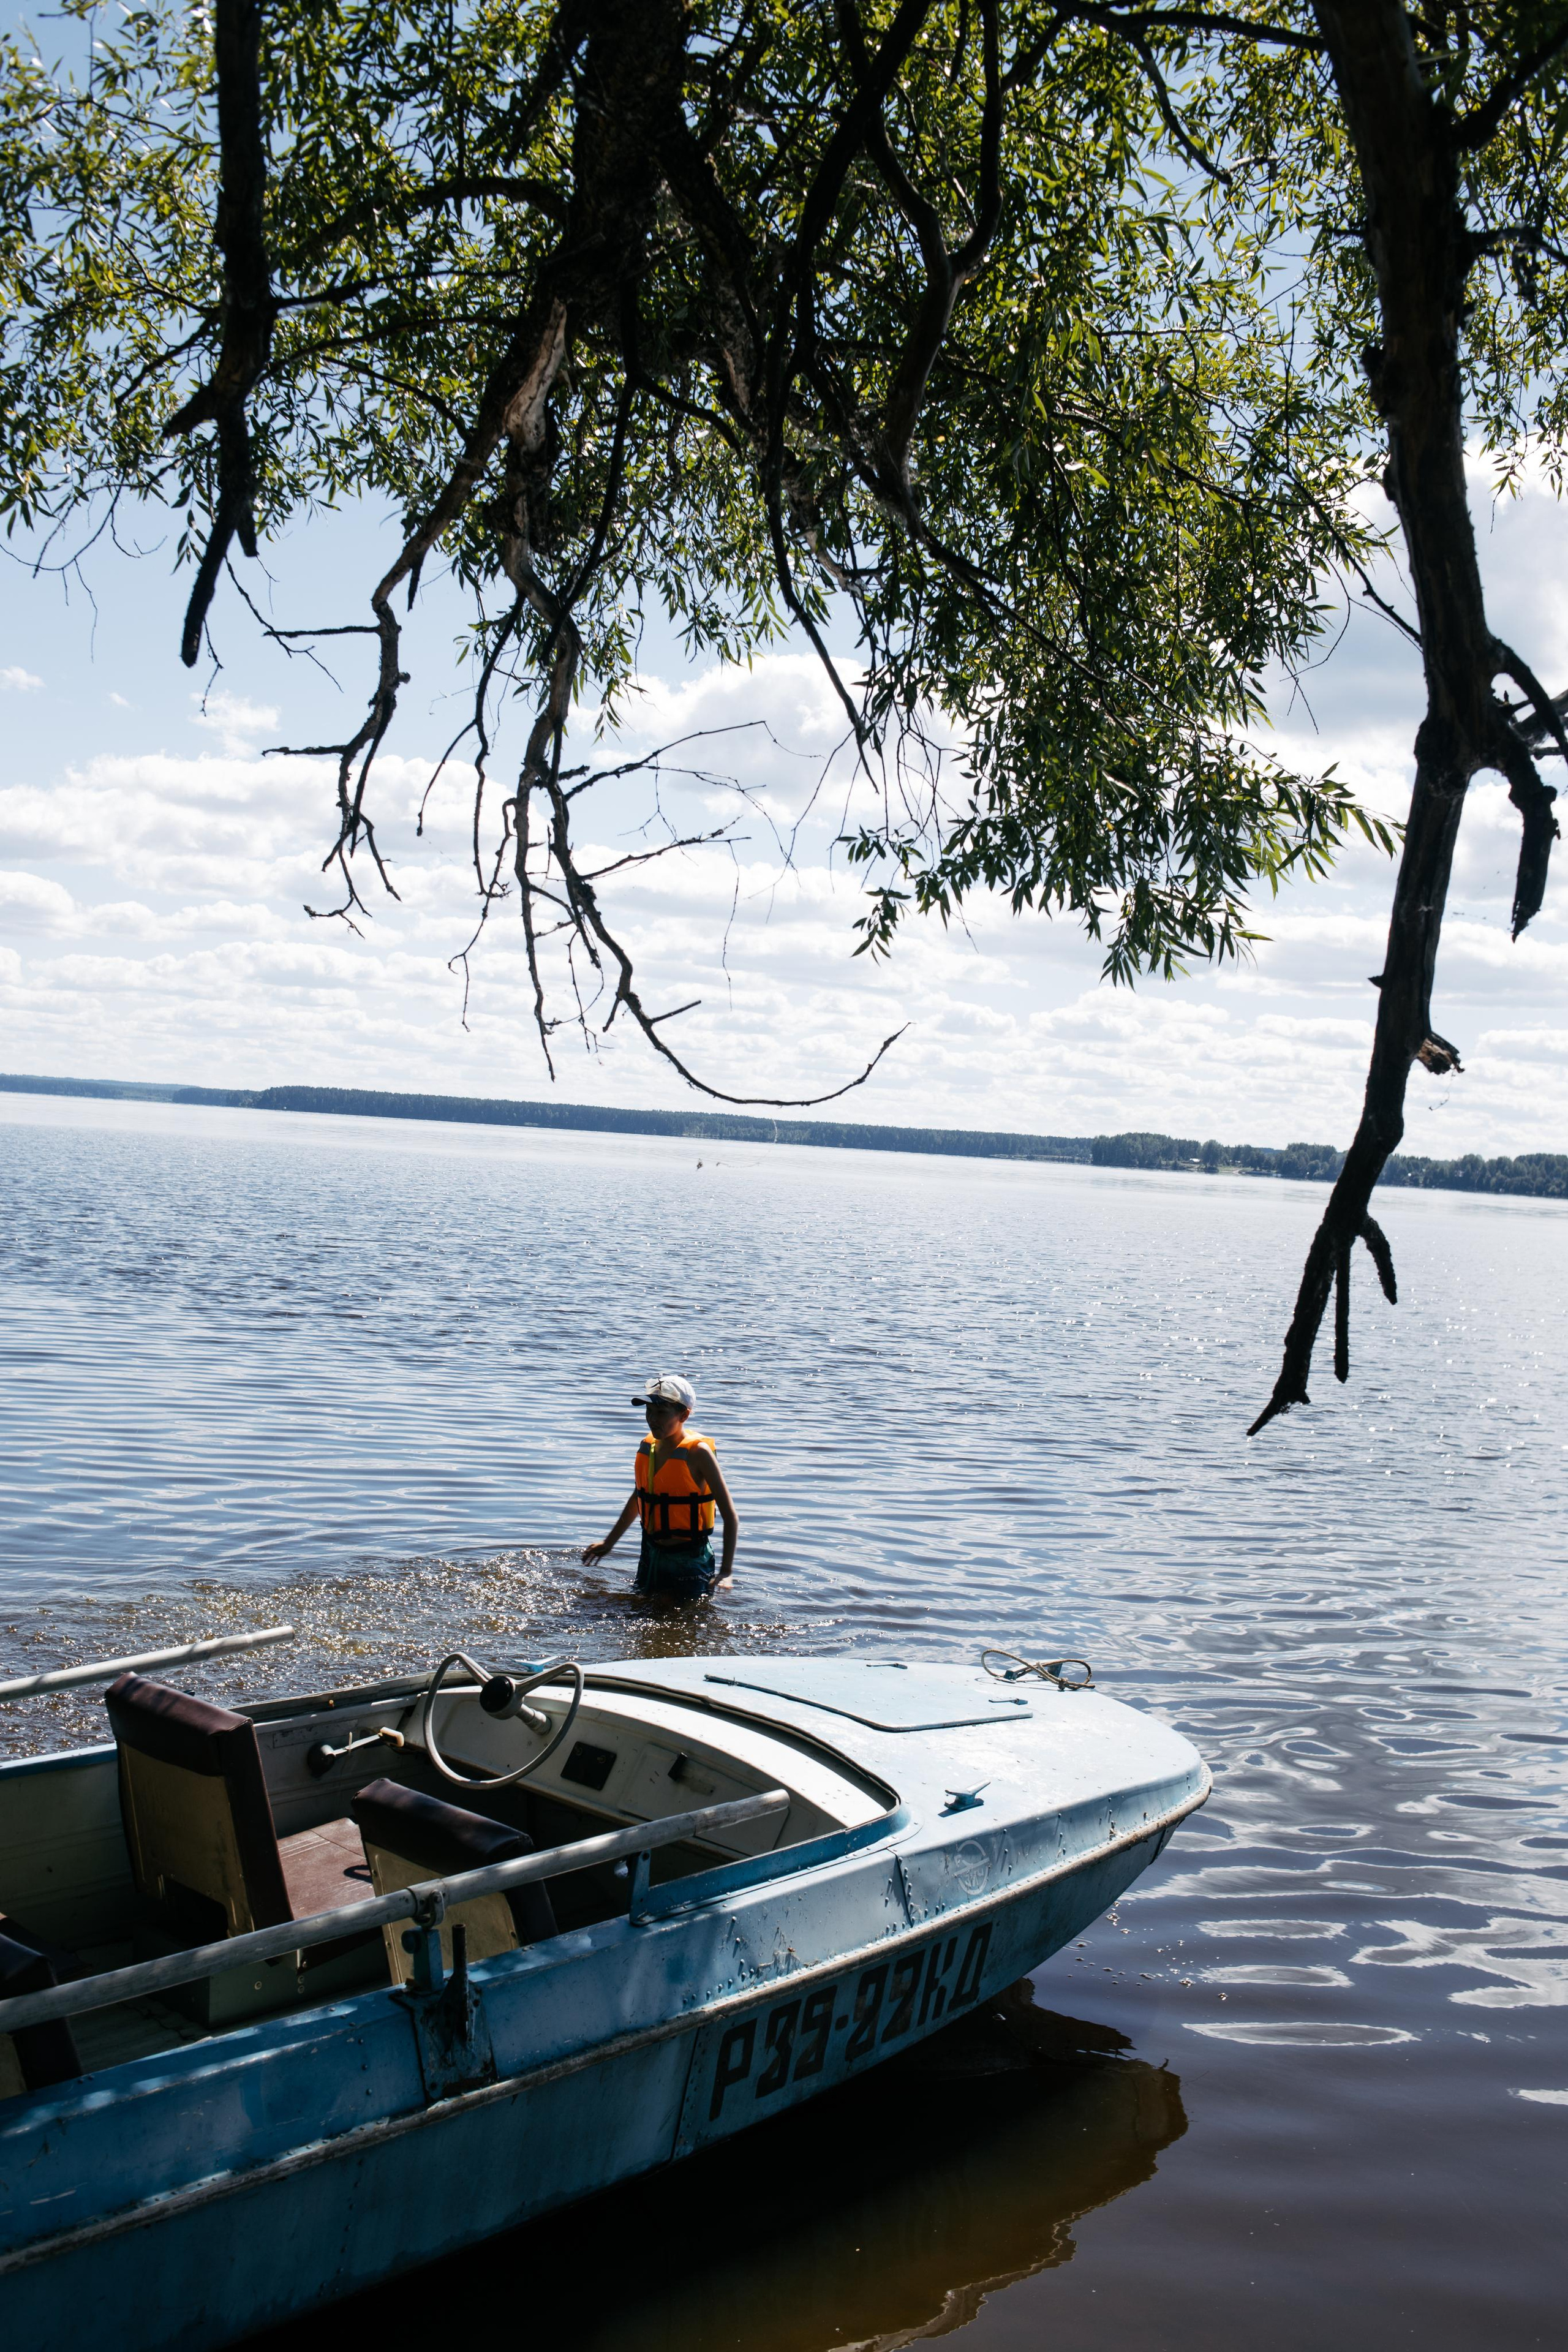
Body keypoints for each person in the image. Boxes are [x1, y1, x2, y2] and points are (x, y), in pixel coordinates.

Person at [582, 1374, 738, 1599]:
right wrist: (610, 1542)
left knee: (687, 1618)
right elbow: (641, 1496)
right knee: (642, 1611)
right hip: (651, 1551)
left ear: (684, 1415)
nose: (652, 1419)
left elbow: (731, 1516)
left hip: (689, 1559)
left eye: (661, 1413)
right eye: (649, 1411)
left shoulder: (699, 1454)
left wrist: (726, 1572)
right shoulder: (650, 1448)